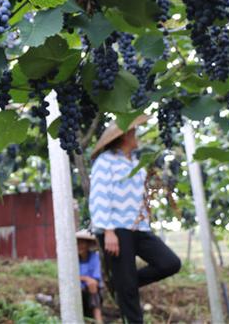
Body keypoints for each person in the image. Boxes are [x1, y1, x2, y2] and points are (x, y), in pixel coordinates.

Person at [89, 117, 181, 323]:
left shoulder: (134, 162)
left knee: (170, 263)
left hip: (138, 227)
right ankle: (125, 287)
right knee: (129, 295)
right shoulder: (106, 161)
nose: (136, 136)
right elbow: (99, 196)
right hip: (116, 229)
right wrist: (108, 231)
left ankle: (122, 284)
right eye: (134, 132)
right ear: (124, 136)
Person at [77, 229, 104, 323]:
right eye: (78, 243)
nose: (79, 246)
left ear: (88, 244)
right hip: (78, 290)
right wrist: (85, 278)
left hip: (92, 290)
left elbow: (96, 278)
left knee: (92, 284)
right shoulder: (73, 259)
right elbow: (71, 278)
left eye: (82, 243)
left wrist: (86, 280)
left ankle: (98, 318)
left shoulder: (95, 257)